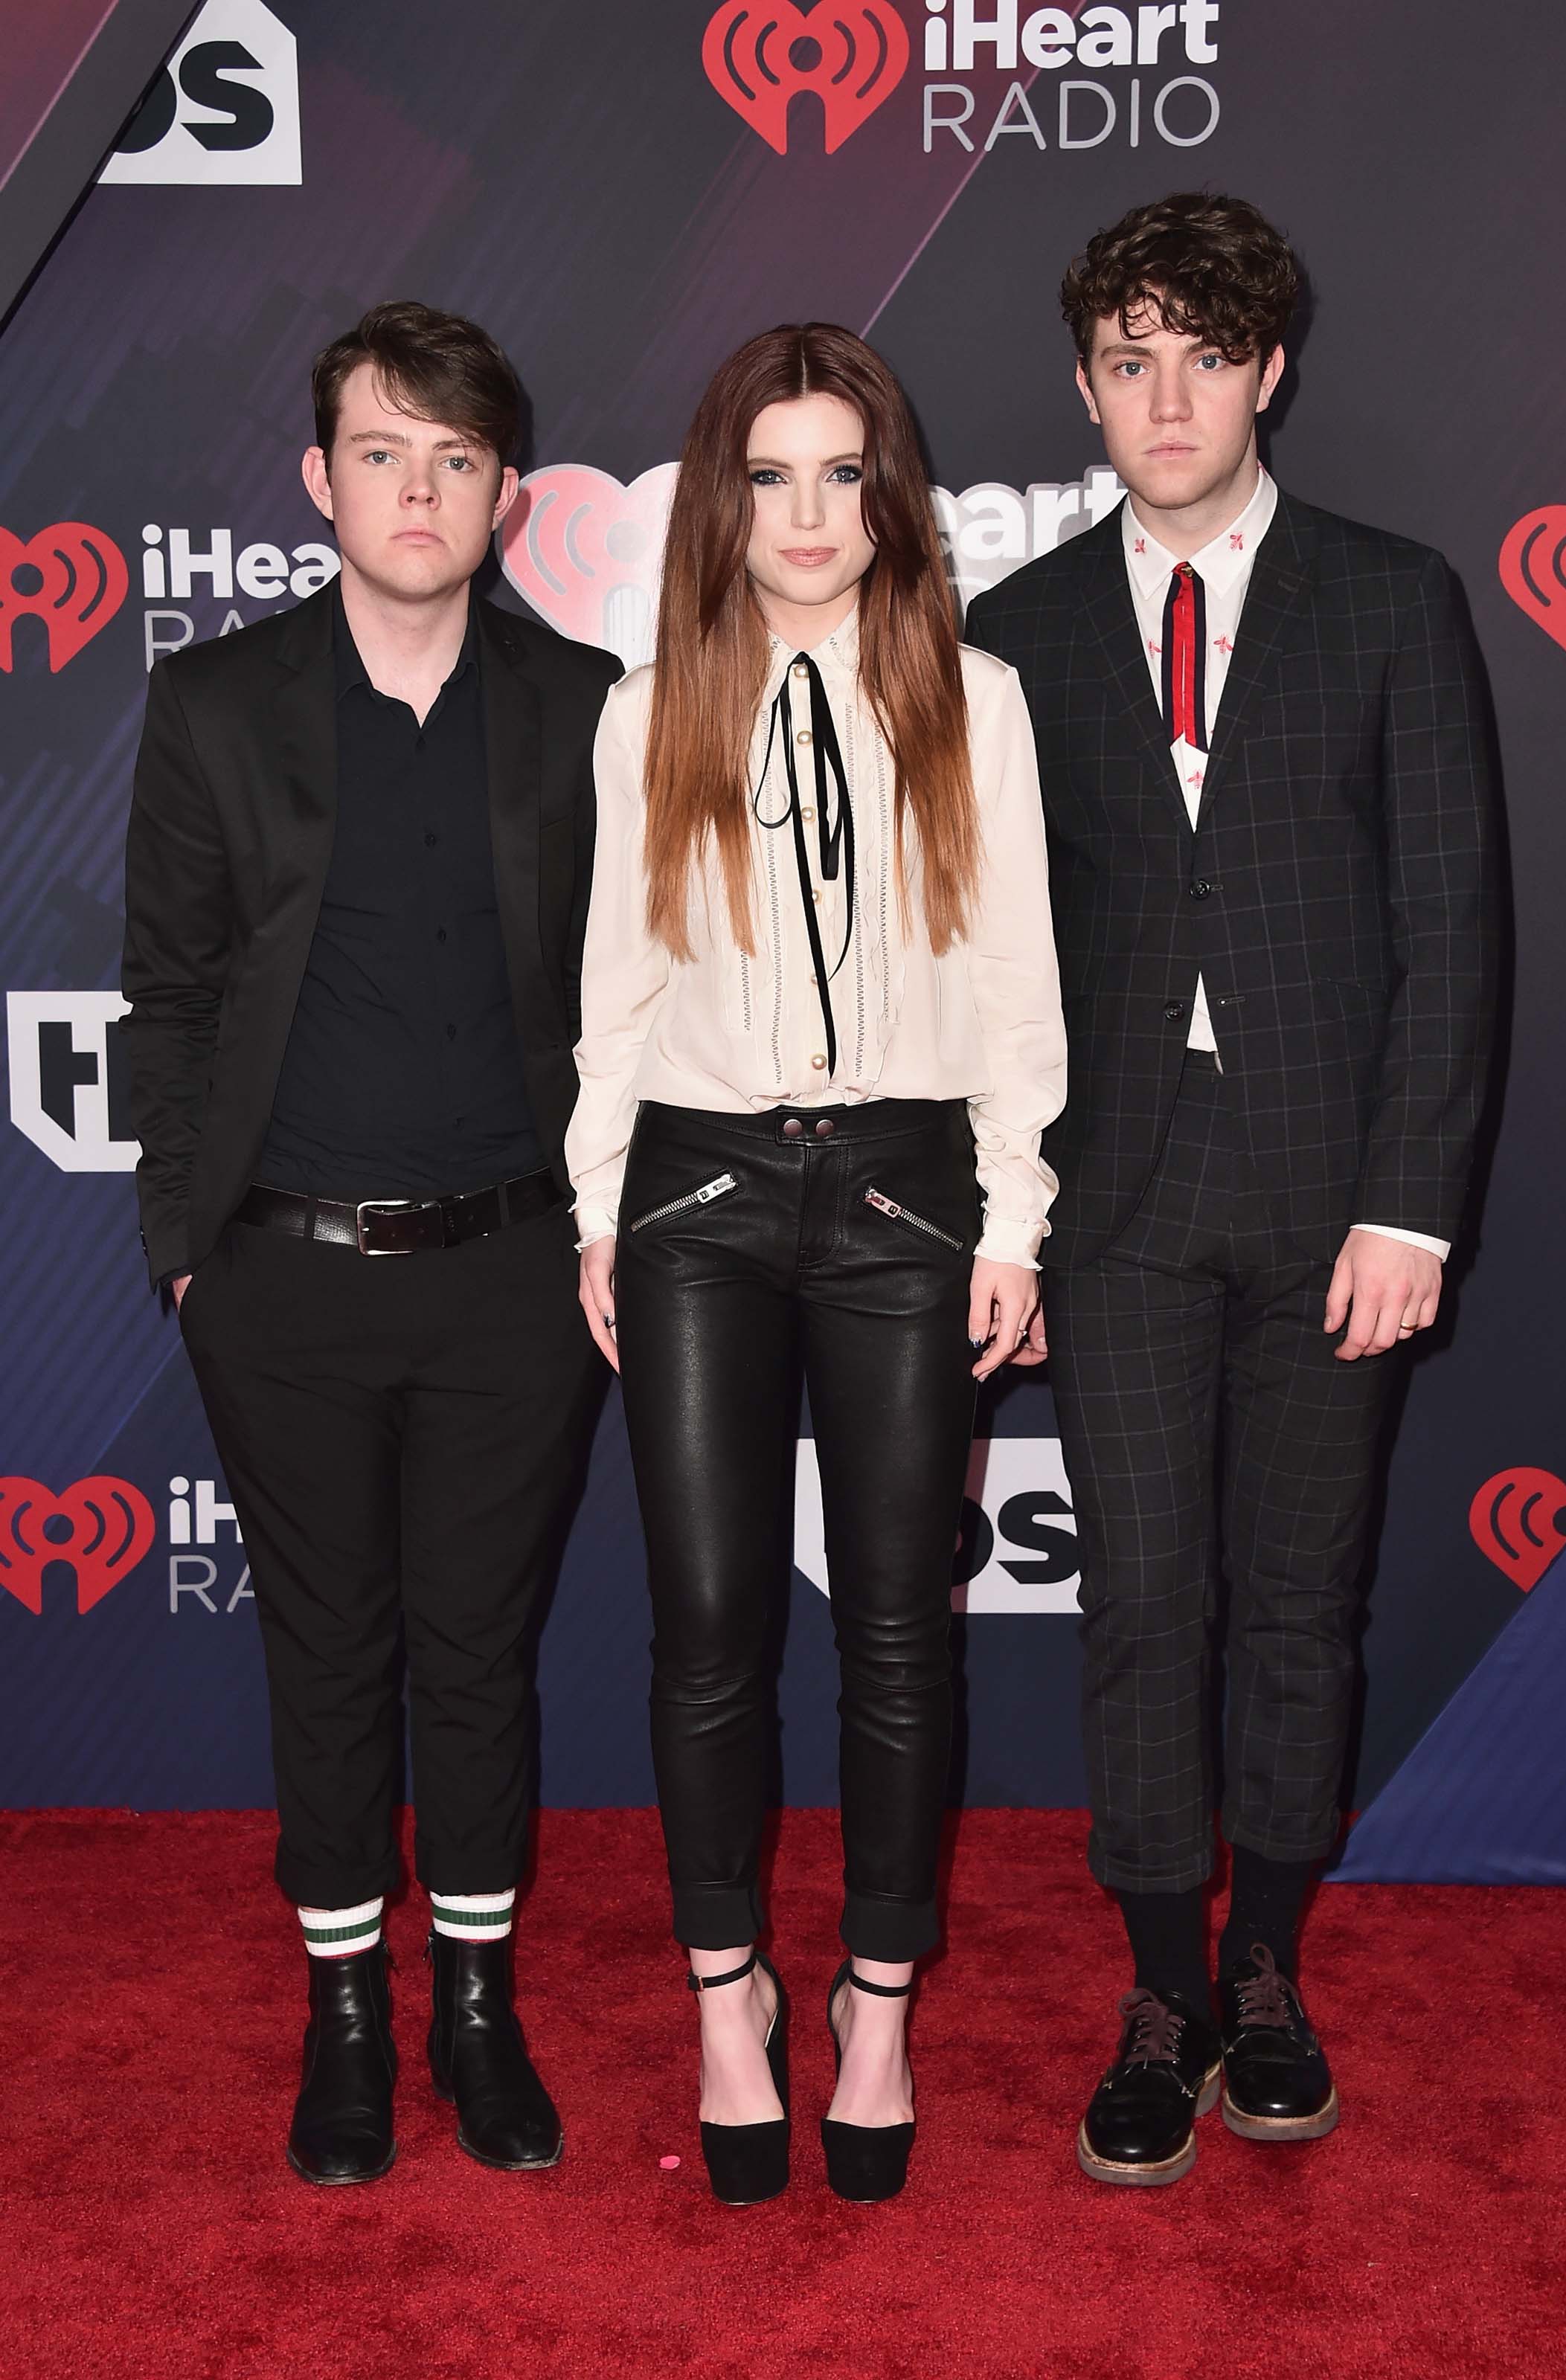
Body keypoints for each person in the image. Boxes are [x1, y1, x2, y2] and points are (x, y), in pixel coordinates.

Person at [966, 193, 1495, 2187]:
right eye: (1126, 359)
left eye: (1199, 354)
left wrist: (1409, 1203)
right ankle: (1156, 1993)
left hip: (1325, 1203)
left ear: (1266, 370)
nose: (1161, 394)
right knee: (1140, 1613)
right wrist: (997, 1220)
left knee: (1295, 1606)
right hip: (1114, 1198)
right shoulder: (1007, 638)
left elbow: (1449, 930)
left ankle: (1263, 1973)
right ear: (1082, 387)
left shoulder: (1390, 598)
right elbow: (982, 964)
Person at [121, 300, 621, 2186]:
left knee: (479, 1656)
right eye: (383, 453)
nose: (421, 489)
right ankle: (343, 2021)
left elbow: (644, 994)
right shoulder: (218, 704)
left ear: (506, 492)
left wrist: (605, 1236)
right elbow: (161, 995)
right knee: (328, 1654)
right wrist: (188, 1241)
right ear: (322, 482)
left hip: (518, 1274)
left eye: (459, 456)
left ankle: (476, 2014)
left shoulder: (584, 706)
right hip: (281, 1276)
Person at [567, 322, 1065, 2205]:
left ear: (888, 493)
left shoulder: (976, 699)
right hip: (693, 1191)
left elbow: (1019, 985)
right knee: (704, 1628)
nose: (803, 514)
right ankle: (723, 1998)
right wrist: (599, 1207)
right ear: (722, 498)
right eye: (767, 475)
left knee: (891, 1625)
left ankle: (872, 2003)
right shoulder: (647, 710)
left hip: (905, 1192)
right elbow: (614, 995)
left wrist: (1013, 1217)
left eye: (839, 473)